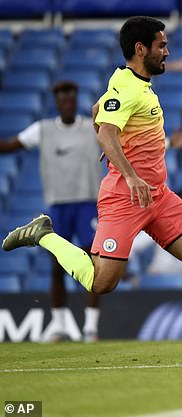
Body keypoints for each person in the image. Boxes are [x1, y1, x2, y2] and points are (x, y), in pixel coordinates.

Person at [2, 16, 182, 364]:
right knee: (102, 282)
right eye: (162, 45)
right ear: (141, 49)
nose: (167, 52)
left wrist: (112, 137)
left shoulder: (131, 84)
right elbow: (105, 131)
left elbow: (99, 111)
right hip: (124, 196)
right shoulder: (128, 88)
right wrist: (128, 173)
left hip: (158, 194)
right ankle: (44, 235)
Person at [0, 81, 103, 342]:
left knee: (94, 264)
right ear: (56, 102)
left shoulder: (92, 128)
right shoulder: (43, 130)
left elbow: (125, 141)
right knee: (56, 265)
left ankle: (91, 328)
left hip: (87, 204)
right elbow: (11, 145)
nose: (67, 102)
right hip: (58, 205)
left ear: (76, 100)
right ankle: (59, 324)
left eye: (71, 97)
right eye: (62, 98)